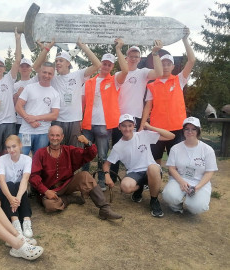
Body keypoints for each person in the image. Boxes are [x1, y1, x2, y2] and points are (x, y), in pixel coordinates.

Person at [29, 125, 122, 220]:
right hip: (50, 190)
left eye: (57, 135)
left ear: (62, 137)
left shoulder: (69, 150)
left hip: (67, 185)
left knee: (85, 175)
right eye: (52, 135)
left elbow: (89, 155)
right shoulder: (40, 153)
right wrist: (45, 191)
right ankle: (70, 199)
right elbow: (34, 176)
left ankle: (104, 209)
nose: (55, 138)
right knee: (50, 206)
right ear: (48, 136)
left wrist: (88, 143)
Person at [110, 41, 163, 182]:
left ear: (140, 59)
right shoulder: (118, 75)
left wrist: (155, 53)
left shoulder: (143, 72)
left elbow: (159, 73)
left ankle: (140, 177)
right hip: (119, 117)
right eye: (130, 55)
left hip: (136, 117)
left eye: (136, 56)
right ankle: (112, 178)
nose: (133, 58)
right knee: (117, 146)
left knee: (138, 148)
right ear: (126, 58)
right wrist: (118, 49)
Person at [140, 28, 196, 165]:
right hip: (157, 128)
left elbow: (192, 60)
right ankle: (154, 183)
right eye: (162, 64)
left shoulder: (179, 80)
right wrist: (142, 126)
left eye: (168, 64)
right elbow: (148, 106)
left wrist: (185, 40)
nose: (165, 67)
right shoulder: (152, 85)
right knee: (155, 159)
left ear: (172, 66)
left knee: (176, 160)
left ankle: (175, 184)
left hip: (177, 127)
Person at [103, 114, 175, 217]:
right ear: (119, 127)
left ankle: (154, 200)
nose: (127, 129)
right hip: (134, 172)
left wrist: (150, 127)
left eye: (130, 125)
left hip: (151, 170)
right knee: (125, 186)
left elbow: (171, 136)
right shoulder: (118, 147)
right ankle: (141, 186)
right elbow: (106, 164)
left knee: (153, 167)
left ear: (134, 126)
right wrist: (107, 176)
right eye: (123, 126)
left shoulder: (143, 135)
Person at [33, 38, 101, 146]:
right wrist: (47, 48)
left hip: (74, 120)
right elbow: (37, 67)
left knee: (74, 152)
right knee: (58, 151)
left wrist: (83, 47)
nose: (57, 63)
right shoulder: (53, 77)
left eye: (61, 60)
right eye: (56, 61)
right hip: (58, 120)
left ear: (68, 63)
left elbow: (97, 65)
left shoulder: (78, 75)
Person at [81, 38, 128, 191]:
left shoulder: (114, 80)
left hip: (104, 124)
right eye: (104, 63)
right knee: (86, 154)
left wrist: (118, 50)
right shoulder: (89, 82)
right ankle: (84, 180)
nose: (106, 66)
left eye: (109, 64)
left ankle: (101, 181)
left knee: (102, 155)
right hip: (88, 123)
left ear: (112, 66)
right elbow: (83, 103)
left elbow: (126, 71)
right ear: (100, 64)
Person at [162, 117, 218, 214]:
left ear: (198, 131)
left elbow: (209, 172)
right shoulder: (176, 148)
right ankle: (176, 205)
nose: (189, 131)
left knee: (197, 207)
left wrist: (198, 187)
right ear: (183, 131)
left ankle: (191, 204)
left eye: (193, 129)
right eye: (187, 129)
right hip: (180, 179)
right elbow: (171, 168)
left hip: (199, 181)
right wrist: (181, 182)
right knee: (169, 195)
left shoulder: (207, 150)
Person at [15, 62, 60, 155]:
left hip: (43, 133)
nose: (46, 75)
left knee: (39, 160)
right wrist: (30, 120)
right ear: (40, 72)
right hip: (26, 132)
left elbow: (54, 115)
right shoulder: (29, 88)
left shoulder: (55, 93)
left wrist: (35, 118)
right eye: (44, 72)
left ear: (53, 74)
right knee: (20, 157)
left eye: (50, 73)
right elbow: (18, 106)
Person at [0, 135, 34, 238]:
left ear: (20, 145)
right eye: (8, 147)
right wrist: (11, 198)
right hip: (5, 193)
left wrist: (17, 198)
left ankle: (26, 221)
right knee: (10, 184)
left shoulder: (27, 159)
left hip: (19, 192)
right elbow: (1, 181)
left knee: (18, 184)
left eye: (14, 146)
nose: (11, 150)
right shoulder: (2, 159)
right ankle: (15, 221)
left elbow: (25, 179)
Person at [13, 58, 38, 135]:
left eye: (27, 66)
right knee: (21, 145)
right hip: (20, 121)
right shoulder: (15, 85)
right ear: (18, 69)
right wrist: (17, 94)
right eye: (22, 66)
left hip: (34, 120)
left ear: (31, 69)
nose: (24, 68)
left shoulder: (35, 81)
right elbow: (14, 104)